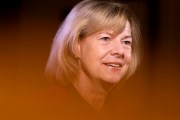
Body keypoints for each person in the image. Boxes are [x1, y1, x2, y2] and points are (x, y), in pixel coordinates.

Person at [45, 0, 141, 119]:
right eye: (106, 38)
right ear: (76, 46)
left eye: (126, 42)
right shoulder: (45, 109)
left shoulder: (128, 114)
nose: (120, 51)